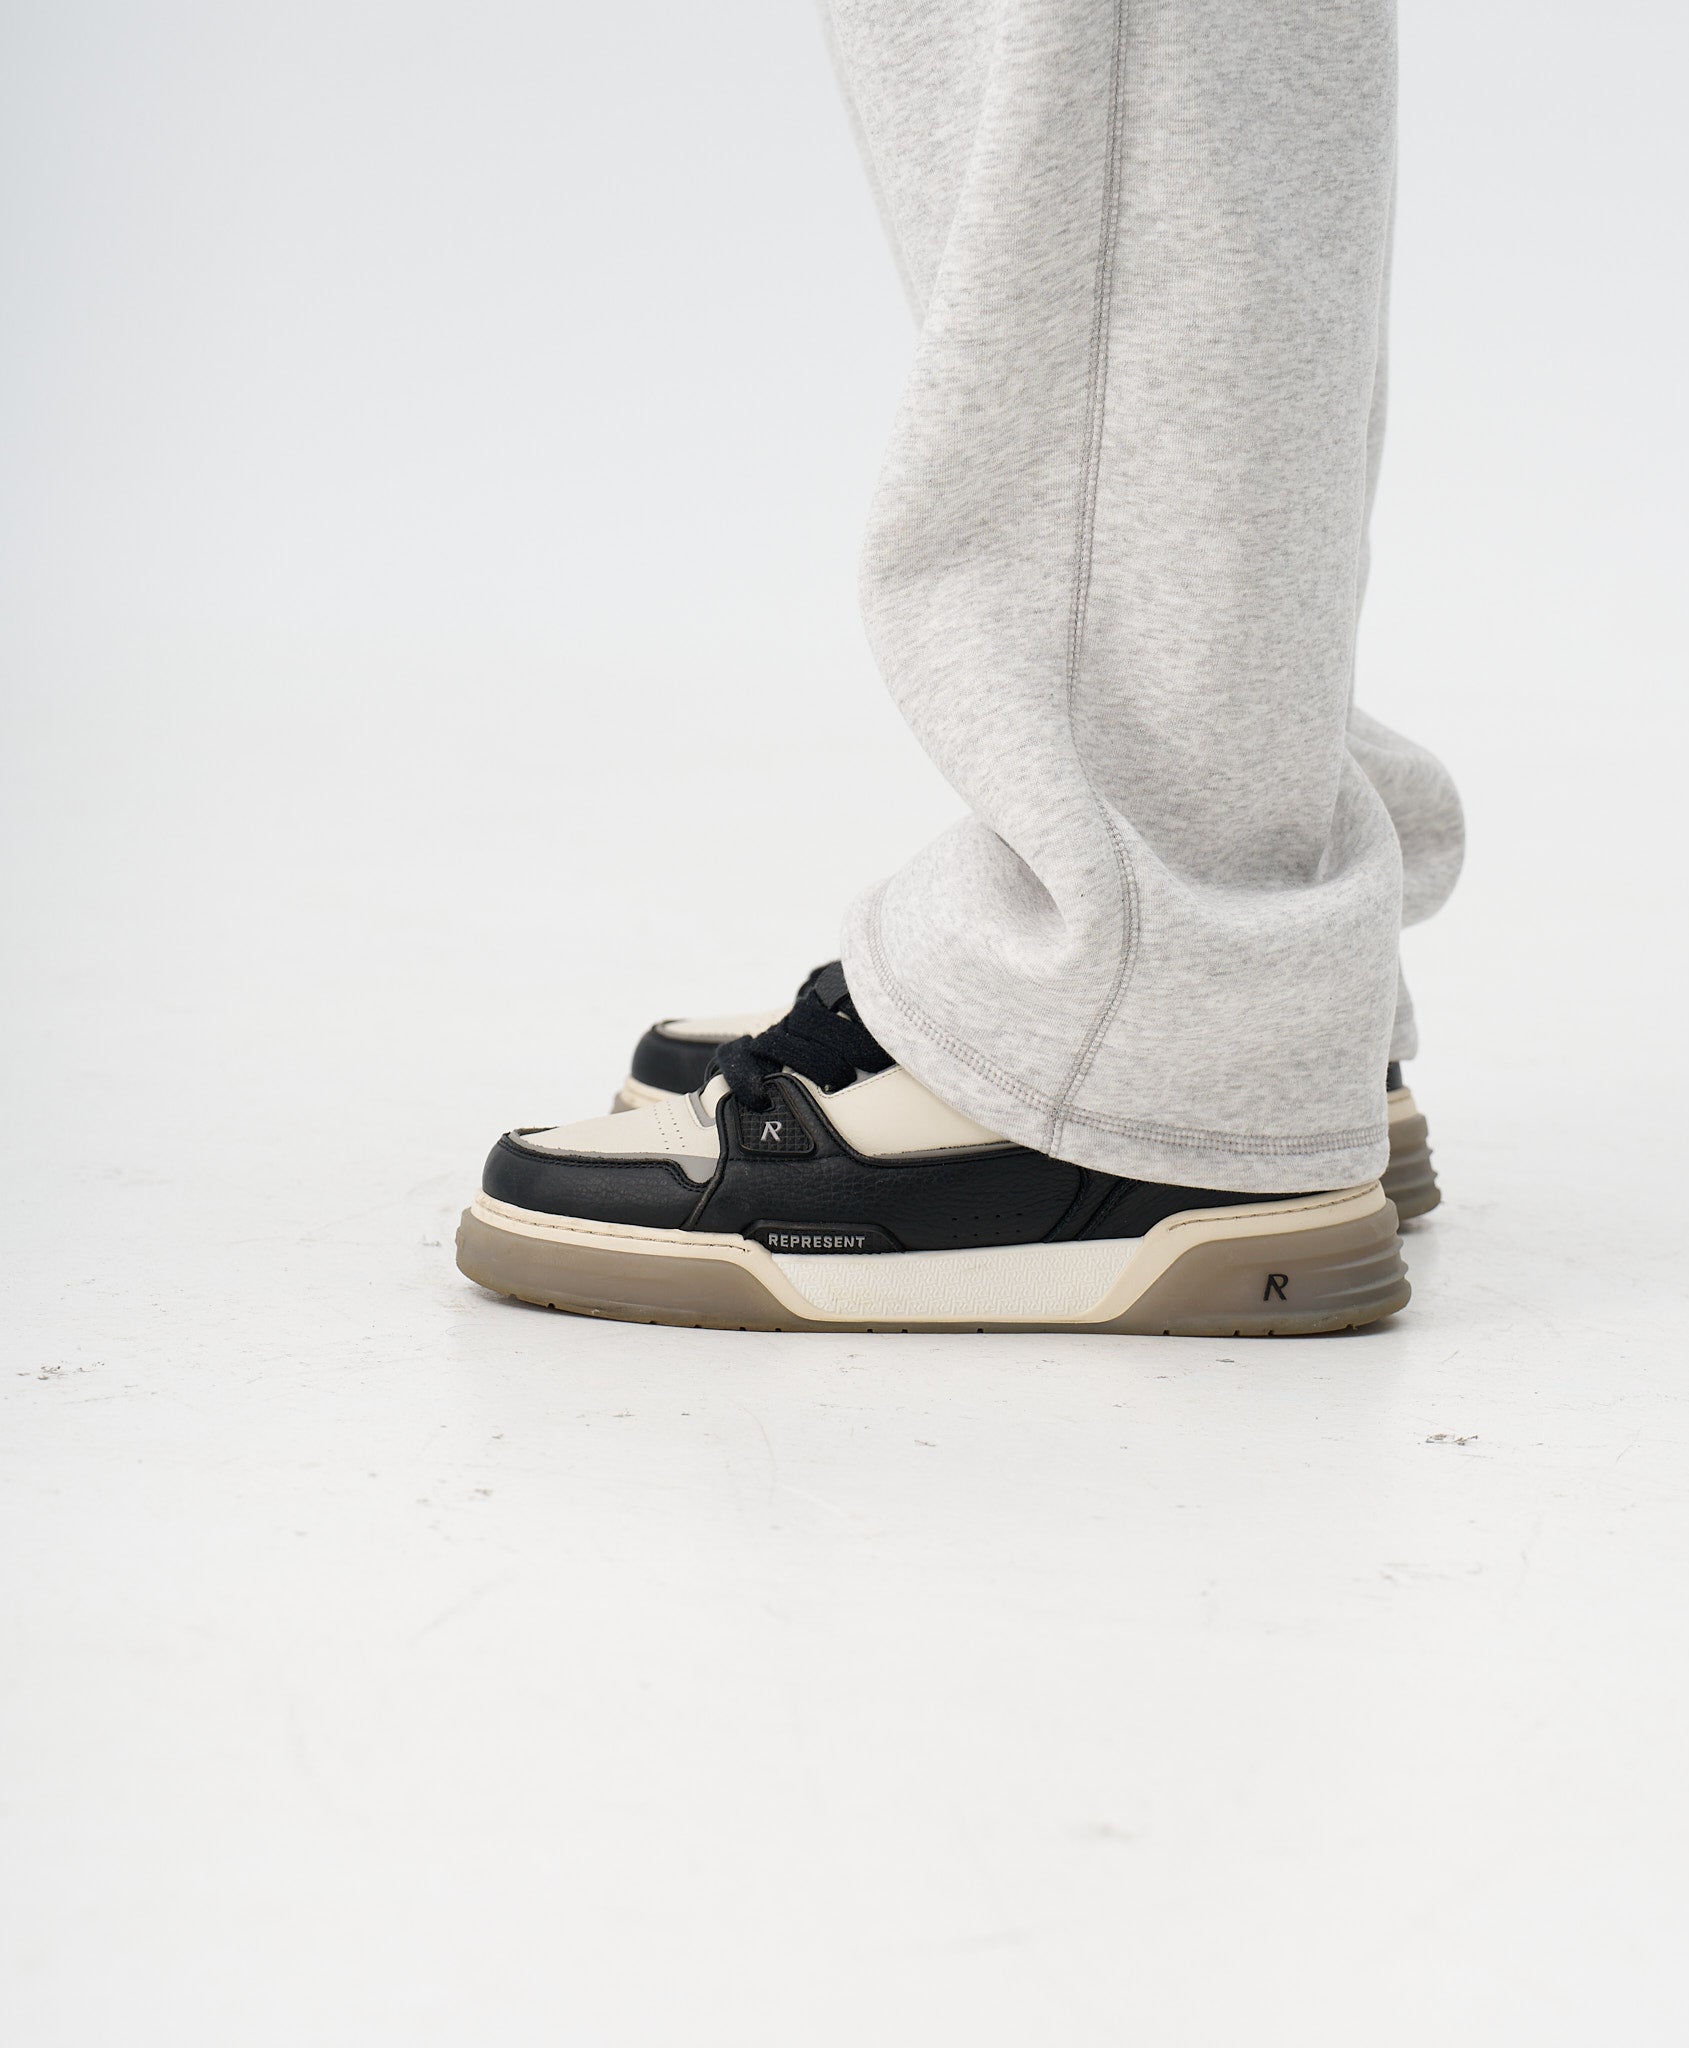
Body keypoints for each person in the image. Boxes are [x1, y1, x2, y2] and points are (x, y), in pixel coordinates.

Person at [455, 0, 1462, 1335]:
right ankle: (1245, 974)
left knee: (1111, 61)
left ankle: (1149, 1022)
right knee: (1080, 86)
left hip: (1137, 1009)